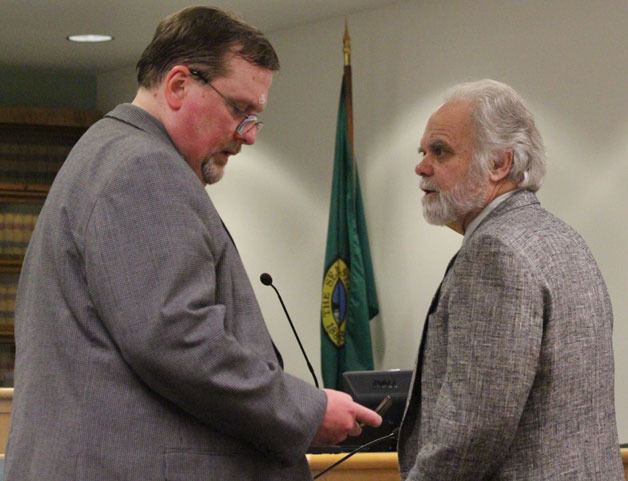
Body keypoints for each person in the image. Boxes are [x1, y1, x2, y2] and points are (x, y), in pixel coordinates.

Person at [4, 6, 381, 481]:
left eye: (255, 117)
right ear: (179, 85)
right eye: (239, 109)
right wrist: (306, 409)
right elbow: (177, 339)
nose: (248, 135)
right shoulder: (143, 169)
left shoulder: (109, 153)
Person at [397, 79, 623, 480]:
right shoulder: (564, 238)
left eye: (441, 151)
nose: (421, 166)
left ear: (499, 164)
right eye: (423, 151)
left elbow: (473, 430)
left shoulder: (494, 253)